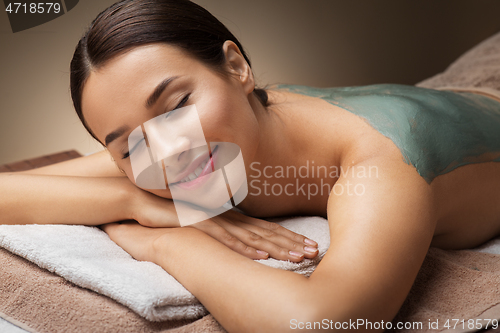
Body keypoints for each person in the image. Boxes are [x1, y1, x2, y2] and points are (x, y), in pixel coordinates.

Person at [1, 0, 500, 331]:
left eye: (175, 106)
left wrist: (164, 242)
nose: (169, 152)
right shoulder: (165, 154)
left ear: (237, 68)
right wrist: (130, 201)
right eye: (128, 146)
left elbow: (322, 322)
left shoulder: (381, 160)